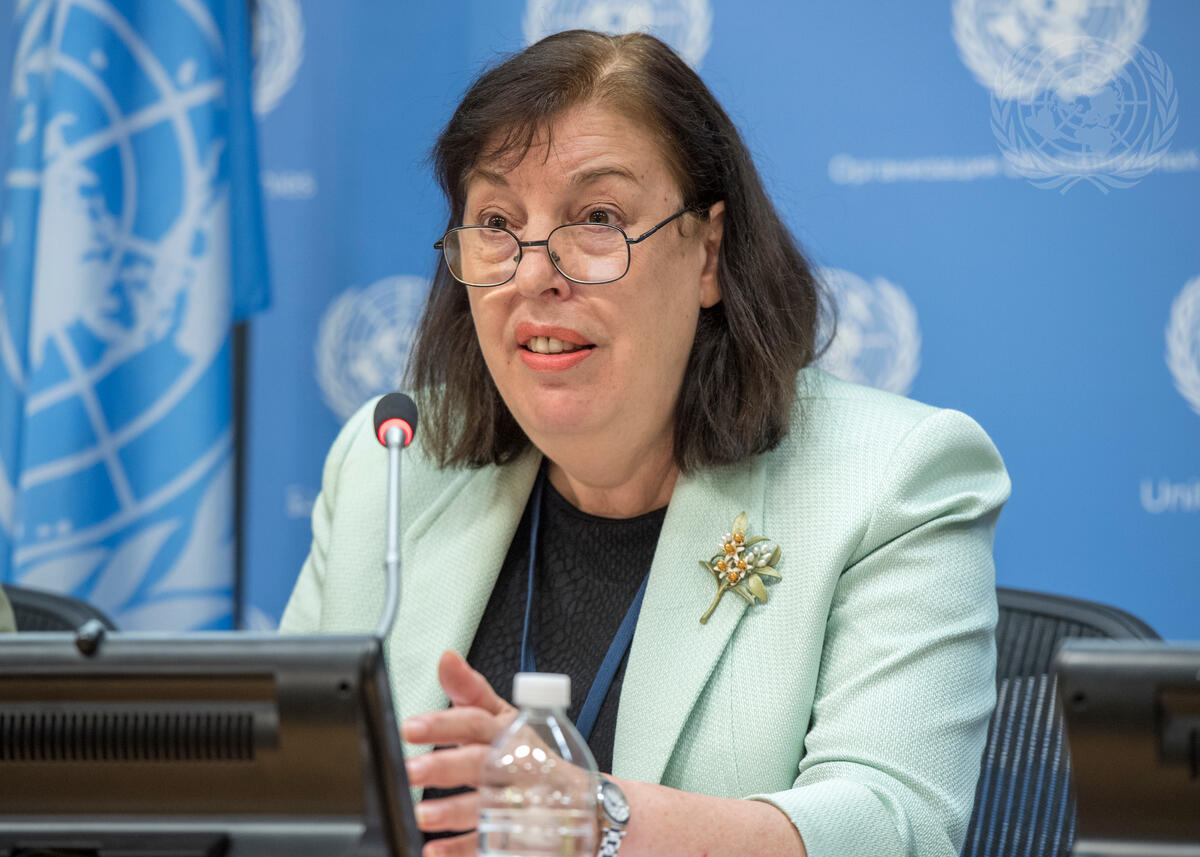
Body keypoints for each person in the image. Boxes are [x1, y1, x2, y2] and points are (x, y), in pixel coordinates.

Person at [281, 29, 1010, 857]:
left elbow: (896, 827)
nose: (534, 273)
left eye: (598, 218)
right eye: (496, 222)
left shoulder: (892, 480)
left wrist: (598, 817)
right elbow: (281, 789)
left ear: (708, 253)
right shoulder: (391, 459)